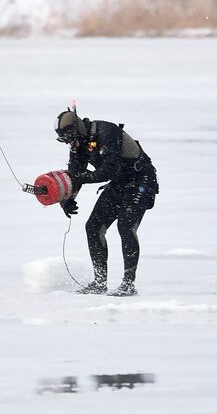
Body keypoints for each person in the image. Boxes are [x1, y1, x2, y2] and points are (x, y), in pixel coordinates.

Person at [54, 107, 158, 296]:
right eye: (65, 140)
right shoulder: (77, 146)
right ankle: (99, 282)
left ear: (79, 128)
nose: (70, 143)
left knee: (125, 226)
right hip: (119, 183)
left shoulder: (105, 132)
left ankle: (128, 284)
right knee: (93, 227)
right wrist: (68, 199)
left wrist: (82, 177)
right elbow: (75, 175)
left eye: (70, 137)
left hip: (141, 181)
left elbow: (108, 171)